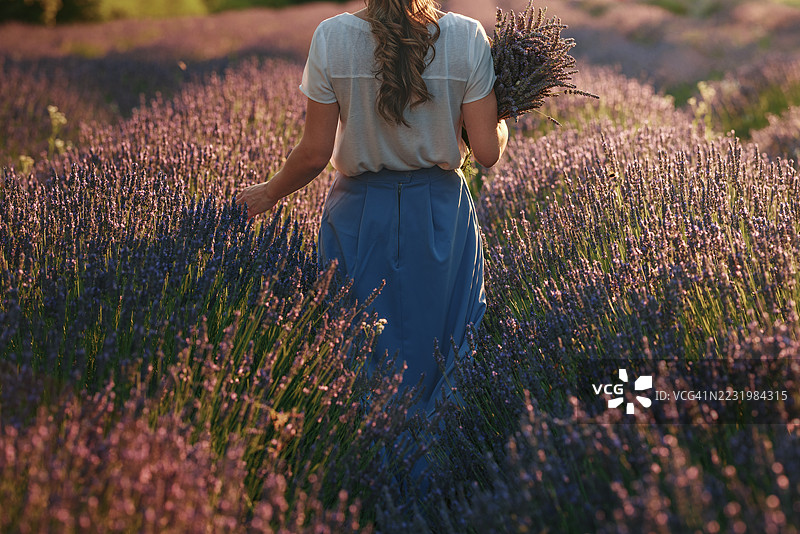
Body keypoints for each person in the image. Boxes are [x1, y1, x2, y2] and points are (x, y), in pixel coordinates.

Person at [236, 0, 508, 414]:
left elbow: (313, 154)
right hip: (440, 217)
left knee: (357, 348)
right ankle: (439, 459)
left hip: (359, 214)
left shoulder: (333, 36)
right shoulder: (467, 36)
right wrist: (501, 120)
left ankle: (363, 461)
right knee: (442, 347)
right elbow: (486, 151)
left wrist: (270, 193)